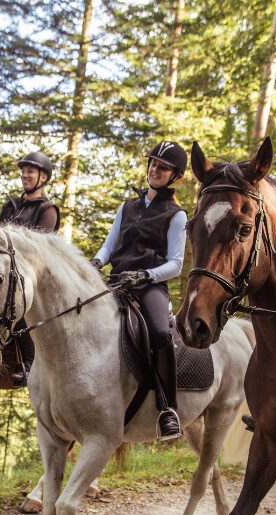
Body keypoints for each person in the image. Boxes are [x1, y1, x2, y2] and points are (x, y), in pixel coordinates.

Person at [91, 141, 188, 440]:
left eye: (163, 167)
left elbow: (177, 264)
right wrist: (96, 261)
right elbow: (111, 244)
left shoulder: (177, 215)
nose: (155, 170)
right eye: (153, 164)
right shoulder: (128, 206)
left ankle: (167, 409)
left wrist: (145, 274)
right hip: (117, 280)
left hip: (150, 286)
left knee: (160, 333)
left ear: (176, 177)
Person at [0, 151, 60, 385]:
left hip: (31, 274)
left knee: (17, 302)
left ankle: (29, 363)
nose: (24, 175)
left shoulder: (47, 210)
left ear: (43, 177)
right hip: (3, 269)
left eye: (30, 171)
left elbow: (38, 251)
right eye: (23, 171)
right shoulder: (10, 206)